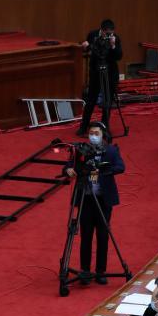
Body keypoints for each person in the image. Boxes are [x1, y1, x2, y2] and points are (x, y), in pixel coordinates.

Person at [65, 120, 125, 284]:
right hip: (86, 199)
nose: (93, 136)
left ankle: (100, 271)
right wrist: (68, 169)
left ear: (103, 135)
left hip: (103, 200)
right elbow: (69, 165)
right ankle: (85, 271)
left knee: (103, 235)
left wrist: (103, 170)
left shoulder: (111, 150)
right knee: (86, 235)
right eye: (91, 133)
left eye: (96, 133)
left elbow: (120, 167)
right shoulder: (81, 149)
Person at [78, 19, 123, 133]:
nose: (109, 35)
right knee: (91, 100)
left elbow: (119, 56)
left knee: (107, 101)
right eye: (107, 33)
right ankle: (83, 126)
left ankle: (105, 126)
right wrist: (85, 46)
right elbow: (88, 49)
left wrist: (113, 45)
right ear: (101, 30)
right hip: (96, 72)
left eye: (111, 33)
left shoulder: (115, 38)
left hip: (110, 73)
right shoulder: (92, 35)